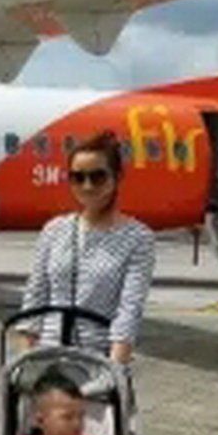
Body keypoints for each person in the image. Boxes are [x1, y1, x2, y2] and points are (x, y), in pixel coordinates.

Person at [14, 129, 156, 365]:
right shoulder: (54, 230)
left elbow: (129, 312)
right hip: (47, 357)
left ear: (117, 177)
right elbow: (34, 299)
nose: (87, 186)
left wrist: (113, 372)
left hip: (97, 359)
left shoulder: (138, 238)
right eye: (78, 177)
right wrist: (23, 365)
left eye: (97, 177)